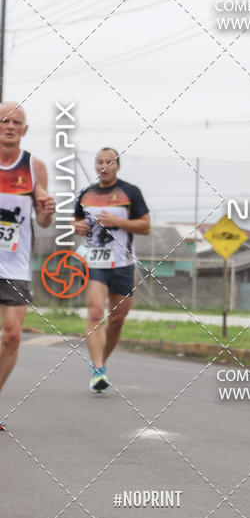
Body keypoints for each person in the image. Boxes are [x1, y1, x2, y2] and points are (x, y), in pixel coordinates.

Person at [74, 148, 150, 393]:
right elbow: (76, 222)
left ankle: (100, 363)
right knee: (96, 312)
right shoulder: (86, 194)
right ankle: (98, 370)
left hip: (123, 263)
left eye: (109, 162)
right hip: (95, 263)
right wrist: (78, 228)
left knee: (117, 320)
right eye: (99, 162)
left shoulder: (130, 192)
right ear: (96, 166)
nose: (104, 166)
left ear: (117, 165)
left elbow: (146, 226)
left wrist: (119, 222)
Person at [0, 101, 55, 430]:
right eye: (4, 120)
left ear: (24, 130)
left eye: (16, 121)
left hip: (16, 266)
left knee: (13, 336)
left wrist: (47, 208)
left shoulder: (35, 167)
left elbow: (44, 220)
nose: (9, 126)